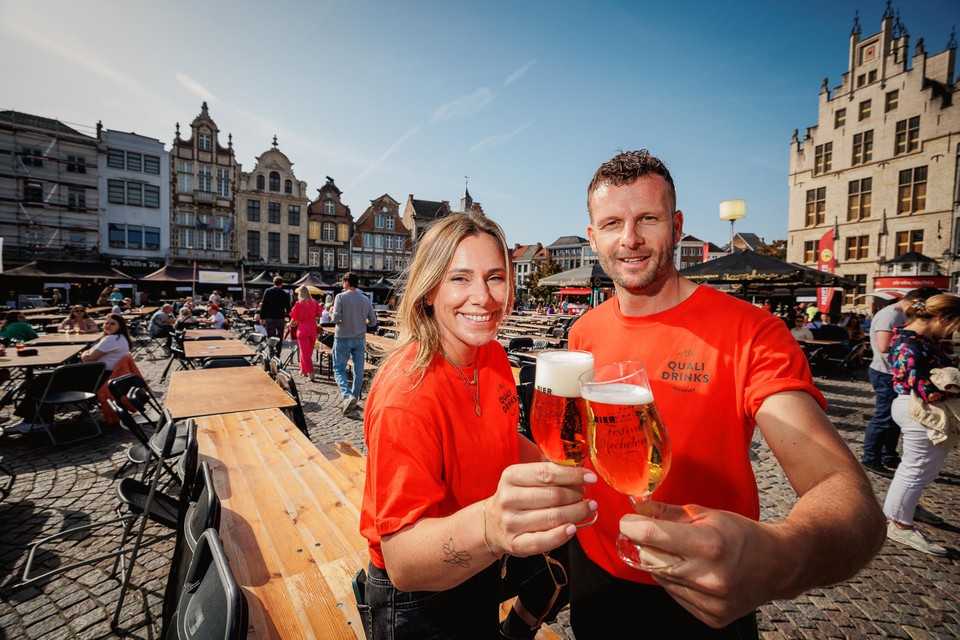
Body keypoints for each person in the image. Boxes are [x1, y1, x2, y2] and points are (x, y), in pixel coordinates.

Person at [566, 150, 885, 637]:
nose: (629, 239)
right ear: (593, 238)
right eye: (612, 223)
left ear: (675, 226)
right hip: (594, 575)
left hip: (700, 590)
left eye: (646, 218)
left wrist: (784, 556)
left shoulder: (751, 332)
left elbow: (844, 495)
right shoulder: (582, 332)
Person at [359, 212, 595, 639]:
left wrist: (557, 464)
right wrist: (490, 526)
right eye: (460, 279)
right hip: (419, 600)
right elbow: (403, 564)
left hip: (481, 564)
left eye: (495, 278)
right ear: (429, 290)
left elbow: (503, 439)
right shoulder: (406, 395)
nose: (483, 297)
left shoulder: (492, 356)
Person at [882, 294, 960, 556]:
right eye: (954, 325)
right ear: (942, 318)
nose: (953, 332)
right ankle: (898, 523)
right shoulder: (909, 342)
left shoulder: (916, 339)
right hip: (918, 408)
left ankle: (899, 517)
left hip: (918, 407)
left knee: (921, 469)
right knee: (917, 470)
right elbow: (927, 390)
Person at [862, 287, 941, 478]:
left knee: (893, 421)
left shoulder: (901, 314)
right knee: (884, 417)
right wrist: (914, 346)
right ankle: (870, 457)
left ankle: (888, 455)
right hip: (885, 372)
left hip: (895, 372)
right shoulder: (890, 315)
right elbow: (883, 346)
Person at [330, 272, 377, 415]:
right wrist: (362, 320)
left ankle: (347, 395)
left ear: (346, 282)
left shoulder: (340, 297)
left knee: (338, 369)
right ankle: (355, 398)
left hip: (343, 337)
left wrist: (333, 313)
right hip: (359, 338)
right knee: (358, 371)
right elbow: (373, 322)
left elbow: (335, 319)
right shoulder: (365, 299)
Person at [289, 286, 322, 380]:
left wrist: (290, 324)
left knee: (305, 352)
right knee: (308, 352)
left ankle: (310, 372)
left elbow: (294, 318)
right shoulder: (315, 302)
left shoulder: (298, 303)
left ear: (300, 294)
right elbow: (320, 314)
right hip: (313, 329)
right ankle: (303, 370)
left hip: (303, 329)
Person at [260, 276, 291, 357]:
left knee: (270, 336)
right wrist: (290, 318)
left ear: (274, 283)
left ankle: (271, 353)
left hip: (269, 318)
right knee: (280, 337)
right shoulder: (284, 293)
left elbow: (264, 305)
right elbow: (288, 307)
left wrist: (262, 317)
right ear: (282, 284)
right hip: (280, 318)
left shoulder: (268, 291)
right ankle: (278, 354)